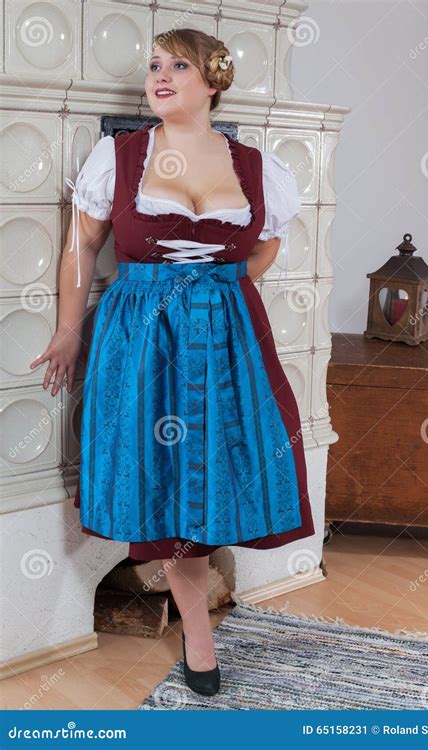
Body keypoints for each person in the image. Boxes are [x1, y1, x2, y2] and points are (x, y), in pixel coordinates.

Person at [30, 28, 315, 696]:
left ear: (212, 79)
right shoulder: (119, 156)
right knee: (162, 479)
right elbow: (81, 247)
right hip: (142, 336)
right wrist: (71, 330)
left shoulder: (255, 166)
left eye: (177, 65)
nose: (159, 75)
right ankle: (198, 632)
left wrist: (219, 286)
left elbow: (266, 248)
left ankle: (202, 613)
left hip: (229, 336)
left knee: (224, 468)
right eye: (154, 65)